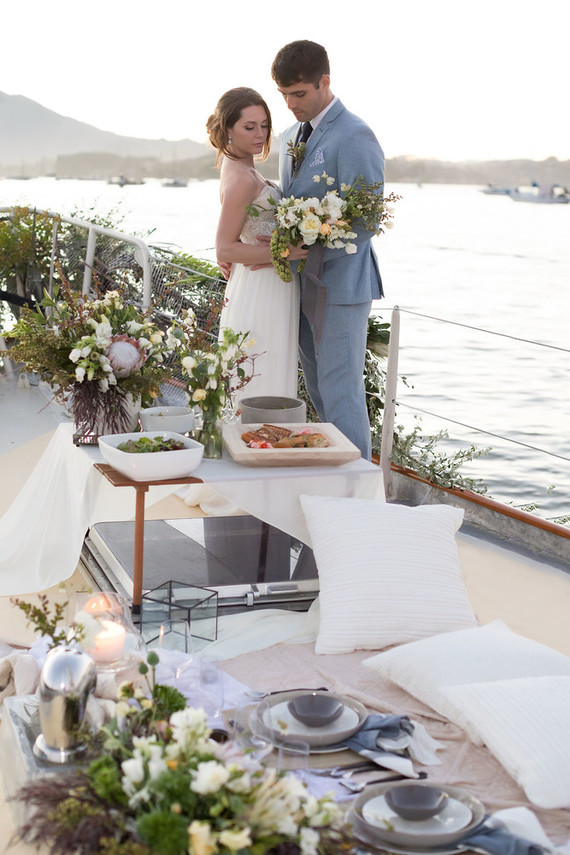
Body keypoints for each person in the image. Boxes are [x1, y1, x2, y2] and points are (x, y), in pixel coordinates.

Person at [271, 41, 385, 460]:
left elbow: (368, 219)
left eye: (298, 94)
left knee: (341, 389)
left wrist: (316, 234)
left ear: (325, 82)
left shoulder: (355, 134)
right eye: (283, 95)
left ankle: (360, 493)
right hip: (300, 284)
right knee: (317, 388)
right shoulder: (288, 137)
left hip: (341, 284)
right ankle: (332, 476)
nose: (290, 105)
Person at [206, 87, 307, 405]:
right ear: (228, 130)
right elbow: (225, 250)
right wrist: (284, 252)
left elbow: (233, 236)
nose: (260, 134)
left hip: (264, 284)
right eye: (249, 127)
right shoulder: (242, 178)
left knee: (262, 365)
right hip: (260, 288)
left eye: (264, 125)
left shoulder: (239, 167)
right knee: (260, 367)